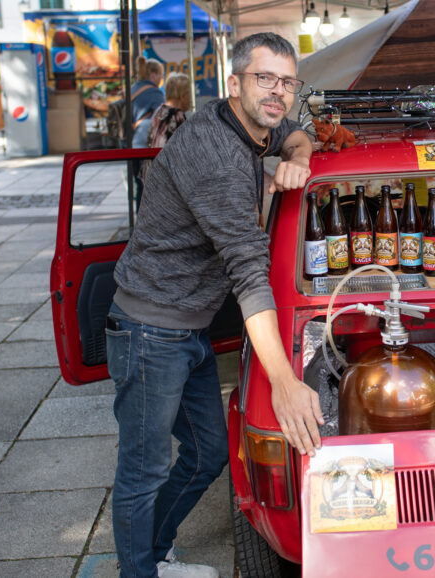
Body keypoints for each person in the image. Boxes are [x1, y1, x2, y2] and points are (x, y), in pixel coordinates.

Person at [106, 33, 319, 578]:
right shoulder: (215, 155)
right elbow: (250, 272)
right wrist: (285, 382)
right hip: (151, 328)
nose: (277, 92)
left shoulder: (254, 123)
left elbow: (298, 132)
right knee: (144, 469)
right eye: (264, 78)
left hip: (190, 328)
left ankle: (153, 555)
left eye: (287, 82)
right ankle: (140, 572)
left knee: (206, 453)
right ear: (233, 83)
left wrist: (295, 157)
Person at [130, 57, 165, 149]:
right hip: (145, 139)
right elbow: (163, 116)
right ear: (153, 75)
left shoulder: (133, 88)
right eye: (160, 75)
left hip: (131, 139)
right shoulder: (155, 92)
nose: (162, 78)